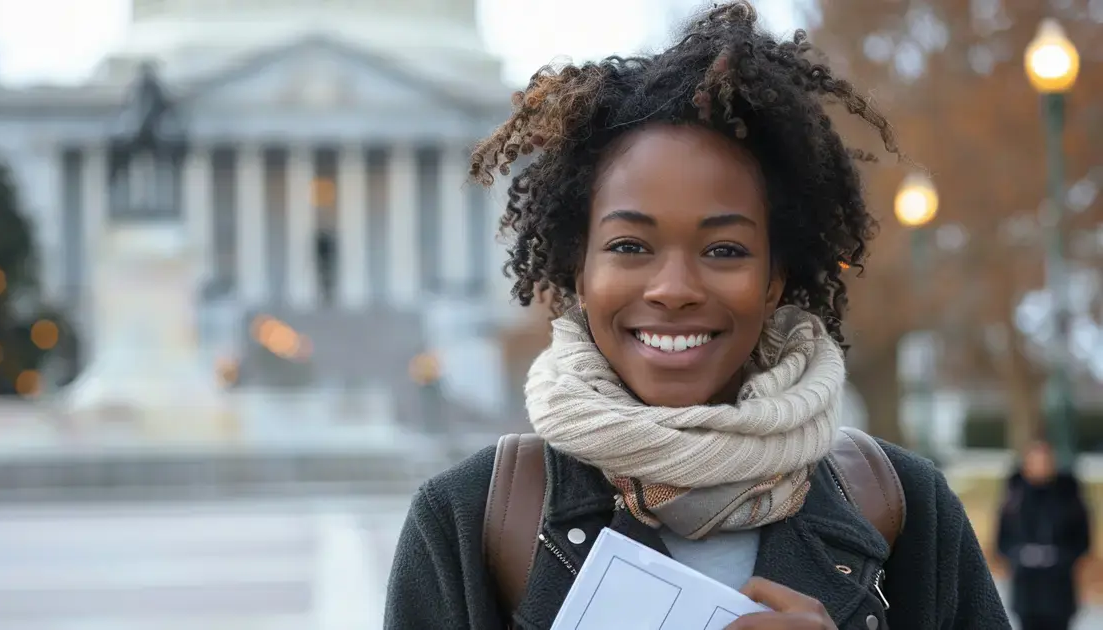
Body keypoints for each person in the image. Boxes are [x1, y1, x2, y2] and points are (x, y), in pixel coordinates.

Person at [384, 3, 1010, 628]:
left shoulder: (902, 504)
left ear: (774, 281)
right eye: (630, 246)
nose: (674, 289)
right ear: (580, 272)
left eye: (724, 250)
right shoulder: (470, 520)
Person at [997, 439, 1091, 630]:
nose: (1040, 466)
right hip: (1026, 588)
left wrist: (1059, 556)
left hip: (1059, 588)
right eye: (1035, 461)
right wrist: (1020, 555)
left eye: (1045, 461)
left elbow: (1083, 539)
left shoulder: (1068, 496)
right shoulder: (1014, 497)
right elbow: (1002, 540)